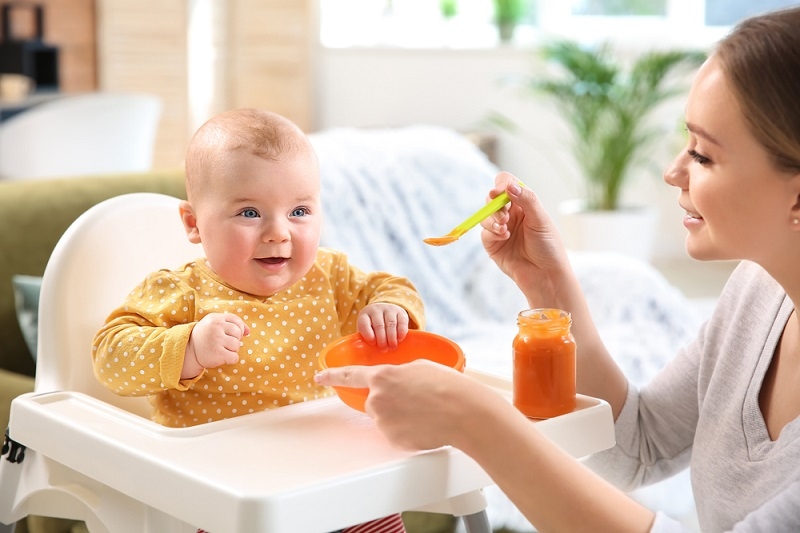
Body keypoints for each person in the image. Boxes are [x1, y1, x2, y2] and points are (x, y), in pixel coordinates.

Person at [315, 6, 800, 532]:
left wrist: (480, 423)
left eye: (703, 156)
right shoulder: (759, 292)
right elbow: (634, 449)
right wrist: (548, 285)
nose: (673, 171)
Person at [92, 108, 424, 533]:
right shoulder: (180, 292)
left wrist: (391, 309)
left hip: (325, 461)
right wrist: (188, 346)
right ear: (194, 223)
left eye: (299, 211)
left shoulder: (331, 277)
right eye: (250, 213)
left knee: (374, 504)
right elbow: (110, 356)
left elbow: (393, 286)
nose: (278, 232)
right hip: (223, 479)